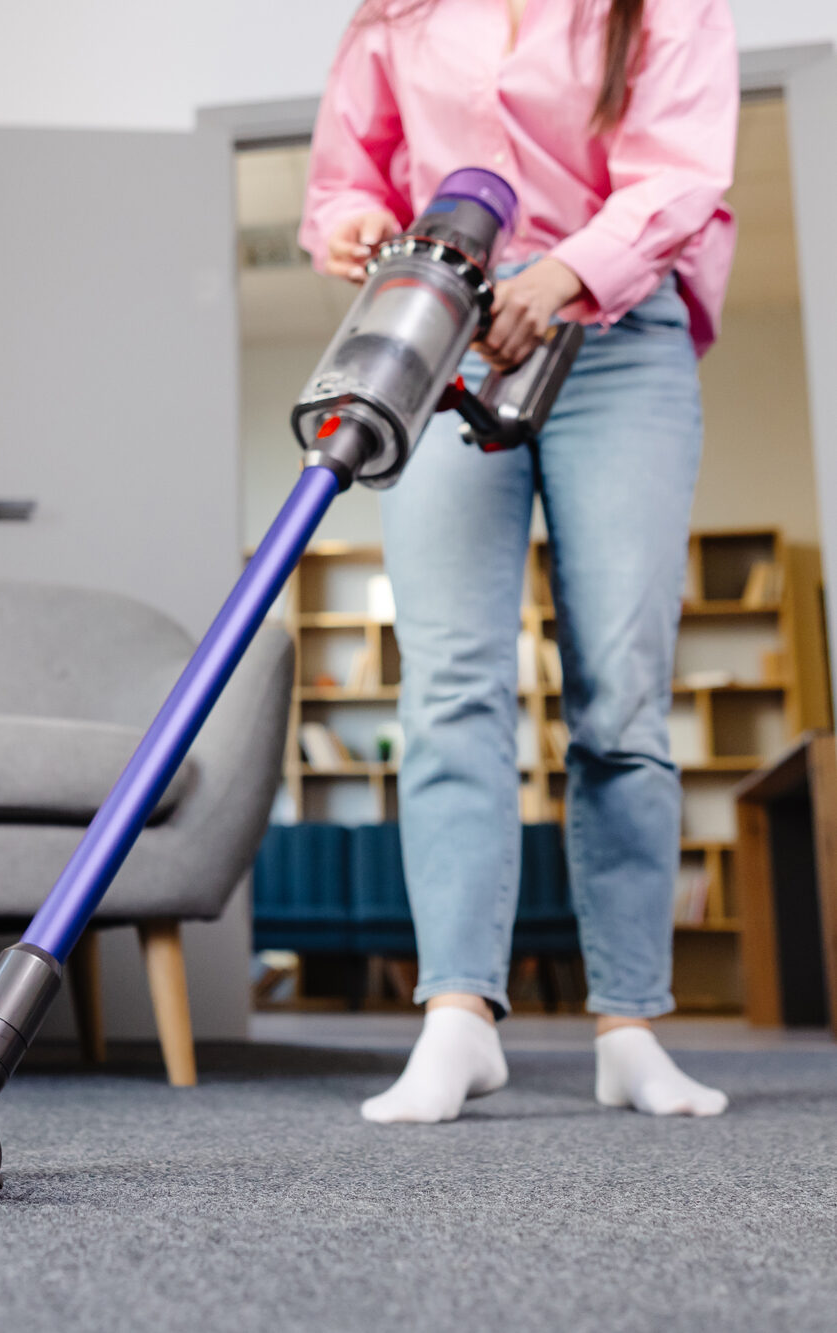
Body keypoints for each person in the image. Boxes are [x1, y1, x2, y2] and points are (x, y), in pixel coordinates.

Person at [299, 0, 739, 1123]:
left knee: (622, 694)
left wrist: (562, 277)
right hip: (444, 330)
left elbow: (679, 173)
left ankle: (630, 1025)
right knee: (449, 680)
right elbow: (347, 174)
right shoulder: (396, 15)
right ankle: (456, 1018)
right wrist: (353, 226)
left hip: (615, 338)